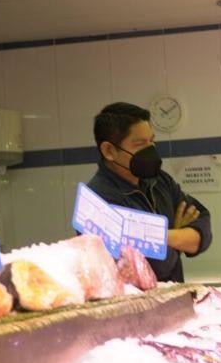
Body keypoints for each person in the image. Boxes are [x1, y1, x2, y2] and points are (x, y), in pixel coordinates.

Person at [87, 102, 213, 282]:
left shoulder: (159, 180)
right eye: (140, 144)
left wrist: (164, 236)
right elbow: (153, 270)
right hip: (131, 308)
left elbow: (204, 232)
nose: (150, 150)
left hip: (174, 303)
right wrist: (179, 235)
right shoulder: (99, 203)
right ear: (109, 150)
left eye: (151, 141)